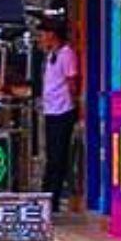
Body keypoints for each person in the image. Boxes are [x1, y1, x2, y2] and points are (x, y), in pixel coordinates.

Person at [38, 16, 79, 211]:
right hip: (51, 109)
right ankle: (47, 193)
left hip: (63, 109)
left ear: (52, 35)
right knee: (51, 154)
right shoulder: (50, 55)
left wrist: (75, 105)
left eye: (44, 34)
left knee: (58, 154)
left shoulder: (66, 54)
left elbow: (71, 82)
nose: (41, 38)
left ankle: (53, 195)